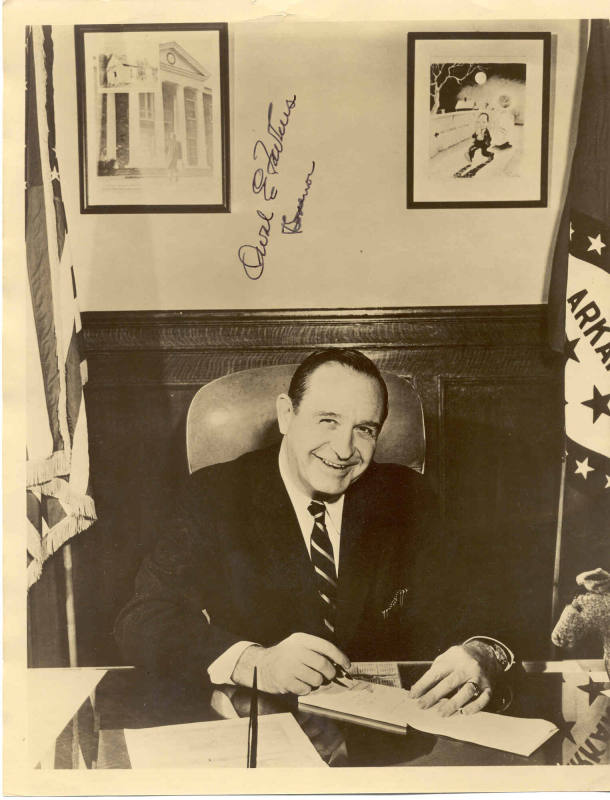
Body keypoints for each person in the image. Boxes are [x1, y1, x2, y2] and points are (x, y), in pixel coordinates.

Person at [115, 349, 514, 716]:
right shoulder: (215, 495)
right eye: (328, 421)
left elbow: (485, 595)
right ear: (287, 414)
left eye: (365, 429)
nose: (344, 449)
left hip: (386, 742)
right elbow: (141, 619)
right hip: (260, 732)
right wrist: (254, 662)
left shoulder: (407, 495)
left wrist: (481, 650)